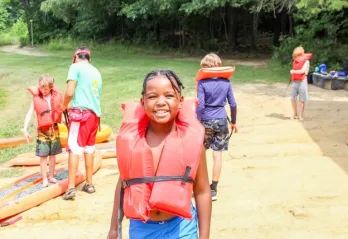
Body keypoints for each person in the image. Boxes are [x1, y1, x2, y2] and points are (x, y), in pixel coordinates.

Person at [107, 70, 212, 239]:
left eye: (169, 95)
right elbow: (123, 184)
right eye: (152, 96)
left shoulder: (193, 143)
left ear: (180, 101)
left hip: (181, 227)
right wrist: (114, 228)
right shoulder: (133, 143)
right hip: (142, 228)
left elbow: (202, 191)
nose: (161, 102)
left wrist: (205, 237)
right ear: (142, 102)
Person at [61, 47, 102, 200]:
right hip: (94, 116)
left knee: (74, 148)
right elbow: (93, 95)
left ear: (76, 57)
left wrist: (64, 106)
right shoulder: (96, 71)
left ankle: (71, 187)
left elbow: (70, 92)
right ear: (89, 59)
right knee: (89, 149)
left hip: (81, 116)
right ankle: (89, 184)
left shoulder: (75, 67)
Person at [196, 53, 238, 201]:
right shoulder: (226, 82)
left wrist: (198, 121)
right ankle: (213, 189)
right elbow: (233, 104)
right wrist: (233, 121)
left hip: (206, 121)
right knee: (217, 155)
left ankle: (199, 186)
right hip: (221, 121)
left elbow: (200, 106)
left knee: (199, 154)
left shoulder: (202, 83)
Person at [22, 74, 63, 187]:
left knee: (53, 155)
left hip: (54, 128)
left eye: (45, 89)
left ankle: (51, 176)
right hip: (42, 131)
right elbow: (30, 112)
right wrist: (25, 128)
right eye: (41, 88)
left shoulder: (55, 96)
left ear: (51, 87)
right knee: (43, 156)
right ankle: (45, 178)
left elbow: (61, 110)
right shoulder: (36, 98)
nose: (43, 91)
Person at [290, 46, 311, 121]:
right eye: (295, 56)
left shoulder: (306, 62)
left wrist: (293, 71)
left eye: (298, 55)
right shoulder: (295, 61)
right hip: (295, 81)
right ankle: (294, 112)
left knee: (302, 99)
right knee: (292, 98)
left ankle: (300, 115)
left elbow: (302, 71)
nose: (297, 57)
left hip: (302, 82)